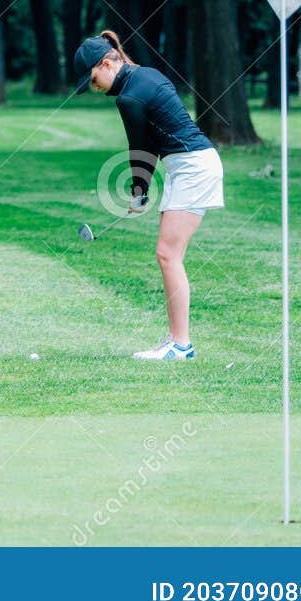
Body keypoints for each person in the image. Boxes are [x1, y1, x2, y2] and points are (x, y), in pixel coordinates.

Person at [74, 30, 224, 361]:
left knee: (168, 255)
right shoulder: (146, 75)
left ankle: (180, 345)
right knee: (169, 255)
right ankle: (177, 339)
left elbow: (140, 148)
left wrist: (139, 192)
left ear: (106, 63)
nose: (94, 87)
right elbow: (153, 143)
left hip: (193, 167)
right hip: (188, 165)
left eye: (93, 78)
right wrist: (141, 191)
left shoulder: (129, 97)